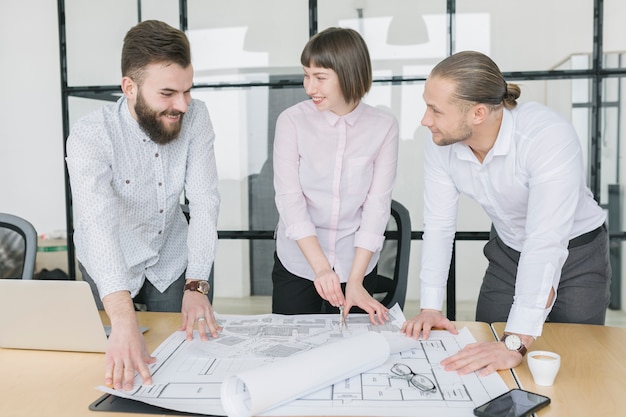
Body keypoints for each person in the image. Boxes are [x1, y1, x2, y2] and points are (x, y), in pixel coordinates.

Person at [402, 51, 611, 375]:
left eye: (435, 110)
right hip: (509, 251)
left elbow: (544, 242)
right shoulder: (441, 144)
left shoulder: (545, 137)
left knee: (572, 359)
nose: (425, 120)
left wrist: (517, 341)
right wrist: (430, 307)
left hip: (576, 252)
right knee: (489, 350)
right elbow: (440, 226)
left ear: (478, 113)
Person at [65, 20, 221, 391]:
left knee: (179, 356)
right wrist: (122, 320)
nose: (181, 104)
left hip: (170, 256)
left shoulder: (195, 115)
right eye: (167, 93)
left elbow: (204, 201)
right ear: (129, 87)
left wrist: (197, 286)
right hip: (110, 256)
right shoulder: (91, 135)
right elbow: (97, 224)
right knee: (114, 355)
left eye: (187, 90)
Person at [272, 27, 399, 325]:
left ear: (349, 74)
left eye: (320, 78)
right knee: (291, 349)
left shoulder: (383, 127)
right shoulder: (292, 121)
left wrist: (354, 280)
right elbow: (290, 199)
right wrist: (321, 268)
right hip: (299, 262)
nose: (309, 87)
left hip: (356, 263)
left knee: (352, 351)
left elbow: (377, 207)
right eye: (306, 75)